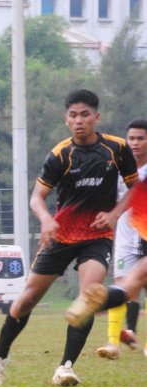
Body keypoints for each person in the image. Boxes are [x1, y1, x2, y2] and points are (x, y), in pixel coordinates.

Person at [0, 89, 137, 387]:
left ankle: (65, 367)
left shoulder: (117, 149)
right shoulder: (60, 154)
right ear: (66, 119)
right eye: (73, 116)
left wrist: (116, 213)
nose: (79, 121)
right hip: (60, 235)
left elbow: (134, 189)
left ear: (96, 117)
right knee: (25, 302)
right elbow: (37, 197)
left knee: (90, 295)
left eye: (85, 115)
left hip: (97, 235)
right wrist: (45, 220)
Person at [95, 120, 147, 359]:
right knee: (121, 285)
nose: (135, 143)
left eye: (140, 138)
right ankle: (112, 343)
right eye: (132, 138)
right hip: (126, 237)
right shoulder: (118, 169)